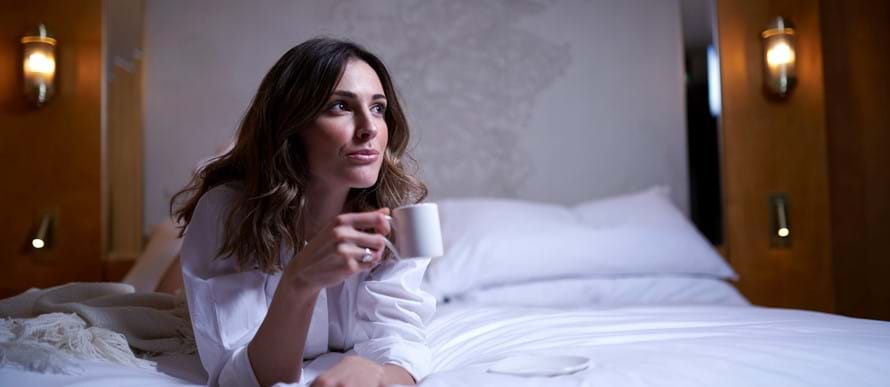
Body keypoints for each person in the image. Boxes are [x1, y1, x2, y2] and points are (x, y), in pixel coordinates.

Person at [170, 38, 435, 387]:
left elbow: (399, 336)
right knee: (167, 278)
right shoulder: (226, 212)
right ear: (292, 124)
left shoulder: (399, 208)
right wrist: (300, 281)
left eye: (378, 108)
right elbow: (241, 376)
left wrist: (383, 377)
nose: (370, 128)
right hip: (238, 212)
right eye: (341, 106)